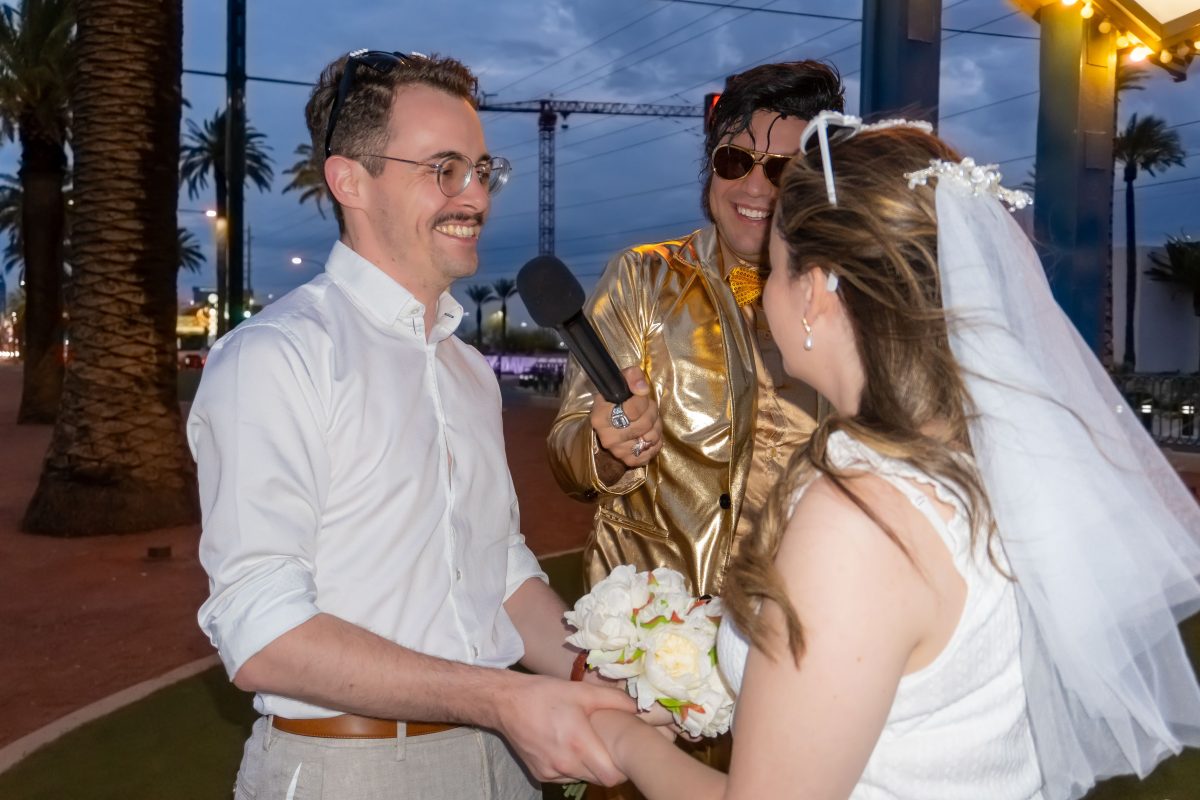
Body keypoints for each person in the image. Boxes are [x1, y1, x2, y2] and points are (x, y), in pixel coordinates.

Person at [586, 115, 1200, 798]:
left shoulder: (860, 519)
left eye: (775, 270)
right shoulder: (984, 452)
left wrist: (621, 739)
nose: (765, 295)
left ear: (815, 291)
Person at [188, 49, 635, 799]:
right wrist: (502, 698)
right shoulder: (277, 357)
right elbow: (261, 632)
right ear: (350, 181)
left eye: (482, 170)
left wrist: (603, 676)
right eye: (444, 169)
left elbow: (499, 574)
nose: (476, 196)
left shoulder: (468, 372)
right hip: (348, 771)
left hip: (504, 764)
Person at [548, 62, 845, 598]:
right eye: (735, 160)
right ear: (711, 168)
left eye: (783, 171)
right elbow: (569, 452)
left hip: (793, 617)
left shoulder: (847, 302)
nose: (755, 186)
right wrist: (607, 445)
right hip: (654, 621)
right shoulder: (641, 278)